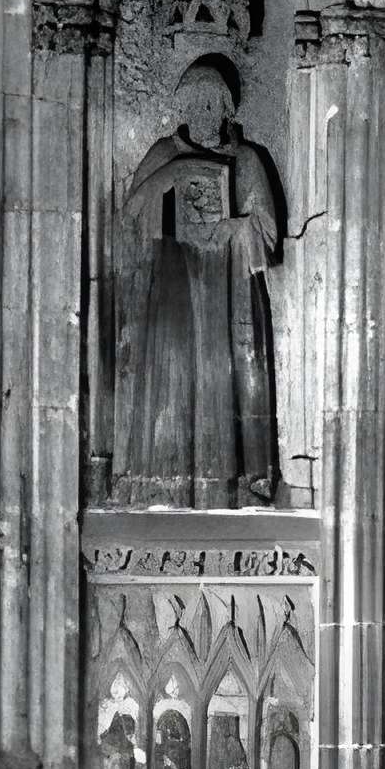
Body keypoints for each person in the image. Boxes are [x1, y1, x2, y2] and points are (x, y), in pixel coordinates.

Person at [114, 59, 282, 508]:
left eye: (213, 102)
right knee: (176, 375)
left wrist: (236, 228)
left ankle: (234, 482)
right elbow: (131, 216)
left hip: (229, 292)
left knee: (225, 374)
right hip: (176, 287)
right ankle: (168, 480)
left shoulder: (245, 159)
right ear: (182, 108)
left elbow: (267, 231)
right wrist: (169, 176)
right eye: (196, 103)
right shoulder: (164, 153)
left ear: (227, 108)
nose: (204, 112)